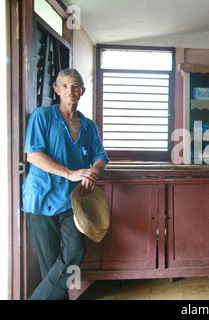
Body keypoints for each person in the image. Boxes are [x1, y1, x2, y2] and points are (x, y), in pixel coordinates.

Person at [21, 68, 109, 300]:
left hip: (72, 202)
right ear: (57, 90)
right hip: (40, 199)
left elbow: (101, 156)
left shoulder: (89, 126)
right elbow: (33, 155)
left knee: (76, 252)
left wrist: (94, 171)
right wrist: (70, 173)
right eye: (66, 86)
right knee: (50, 265)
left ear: (82, 91)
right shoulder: (42, 116)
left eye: (76, 86)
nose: (71, 90)